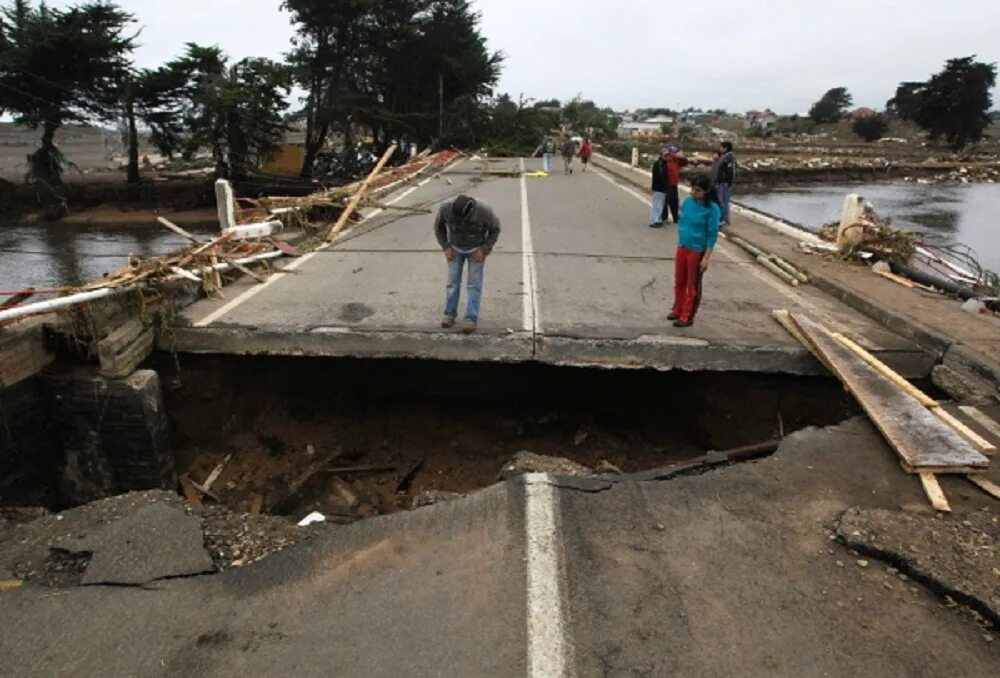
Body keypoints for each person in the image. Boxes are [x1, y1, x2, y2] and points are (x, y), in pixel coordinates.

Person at [434, 195, 501, 334]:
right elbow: (438, 227)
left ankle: (471, 318)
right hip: (454, 249)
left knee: (474, 285)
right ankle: (449, 314)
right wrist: (446, 246)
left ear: (470, 212)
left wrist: (484, 249)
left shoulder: (484, 211)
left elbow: (495, 228)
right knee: (452, 283)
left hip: (475, 250)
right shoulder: (445, 208)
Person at [670, 174, 720, 328]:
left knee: (692, 285)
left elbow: (712, 234)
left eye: (698, 191)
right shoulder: (688, 202)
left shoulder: (712, 209)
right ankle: (677, 308)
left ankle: (687, 316)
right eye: (693, 189)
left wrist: (706, 257)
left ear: (706, 191)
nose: (693, 193)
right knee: (679, 281)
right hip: (683, 245)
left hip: (697, 249)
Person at [711, 141, 736, 228]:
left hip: (724, 184)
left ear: (725, 148)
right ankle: (722, 218)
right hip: (721, 183)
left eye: (721, 147)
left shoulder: (729, 157)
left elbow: (729, 172)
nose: (720, 149)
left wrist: (727, 183)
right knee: (721, 201)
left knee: (724, 202)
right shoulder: (725, 157)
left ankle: (725, 220)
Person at [661, 145, 688, 224]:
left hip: (674, 185)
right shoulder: (664, 162)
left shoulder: (676, 161)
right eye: (670, 154)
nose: (671, 156)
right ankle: (664, 218)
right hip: (666, 185)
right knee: (665, 202)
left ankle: (675, 217)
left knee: (674, 202)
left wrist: (680, 156)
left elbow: (685, 162)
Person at [649, 147, 670, 228]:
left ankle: (655, 220)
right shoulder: (660, 164)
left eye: (668, 155)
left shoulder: (662, 163)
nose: (667, 157)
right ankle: (656, 220)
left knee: (658, 204)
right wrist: (665, 186)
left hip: (659, 188)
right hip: (659, 188)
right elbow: (661, 177)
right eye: (665, 155)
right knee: (658, 204)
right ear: (661, 155)